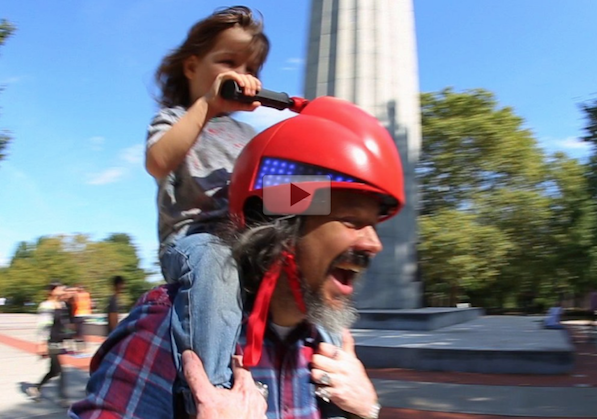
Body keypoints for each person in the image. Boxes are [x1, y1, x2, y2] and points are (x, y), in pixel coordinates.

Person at [70, 94, 401, 418]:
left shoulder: (331, 356)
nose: (374, 244)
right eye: (351, 220)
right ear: (283, 225)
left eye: (374, 225)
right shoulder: (167, 327)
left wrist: (366, 410)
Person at [145, 6, 268, 413]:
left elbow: (266, 195)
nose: (242, 74)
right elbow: (157, 162)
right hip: (194, 242)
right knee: (216, 259)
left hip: (245, 239)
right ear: (193, 66)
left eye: (251, 67)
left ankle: (333, 367)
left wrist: (323, 198)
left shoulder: (250, 135)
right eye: (229, 62)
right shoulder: (176, 119)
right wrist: (207, 105)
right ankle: (209, 394)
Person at [26, 282, 72, 407]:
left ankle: (36, 388)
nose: (63, 291)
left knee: (54, 370)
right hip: (50, 341)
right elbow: (42, 326)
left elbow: (63, 324)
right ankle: (63, 398)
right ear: (52, 291)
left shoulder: (62, 304)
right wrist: (42, 343)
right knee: (60, 370)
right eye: (60, 289)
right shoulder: (46, 305)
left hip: (59, 340)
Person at [72, 285, 92, 353]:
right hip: (86, 313)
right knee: (83, 331)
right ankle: (84, 347)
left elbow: (74, 303)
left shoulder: (77, 295)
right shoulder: (87, 294)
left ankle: (81, 347)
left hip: (79, 313)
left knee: (79, 332)